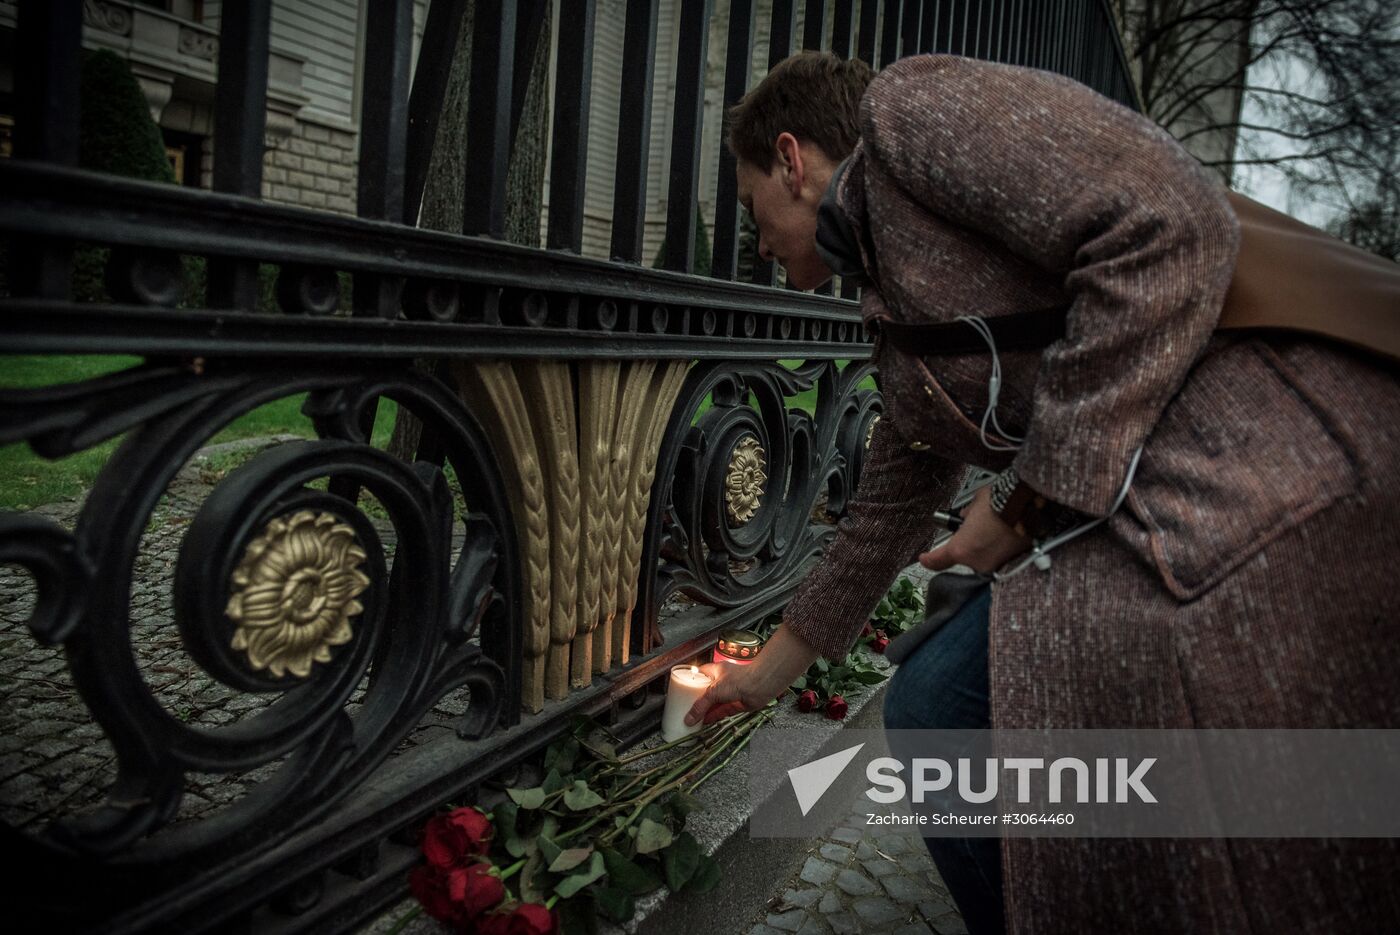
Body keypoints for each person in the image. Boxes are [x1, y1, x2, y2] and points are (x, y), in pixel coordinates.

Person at [682, 50, 1400, 933]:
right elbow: (891, 504)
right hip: (1149, 505)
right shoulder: (886, 288)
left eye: (754, 209)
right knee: (941, 710)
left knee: (945, 714)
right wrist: (767, 673)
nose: (757, 244)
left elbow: (1174, 223)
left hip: (1260, 471)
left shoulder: (910, 114)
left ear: (791, 160)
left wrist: (1025, 499)